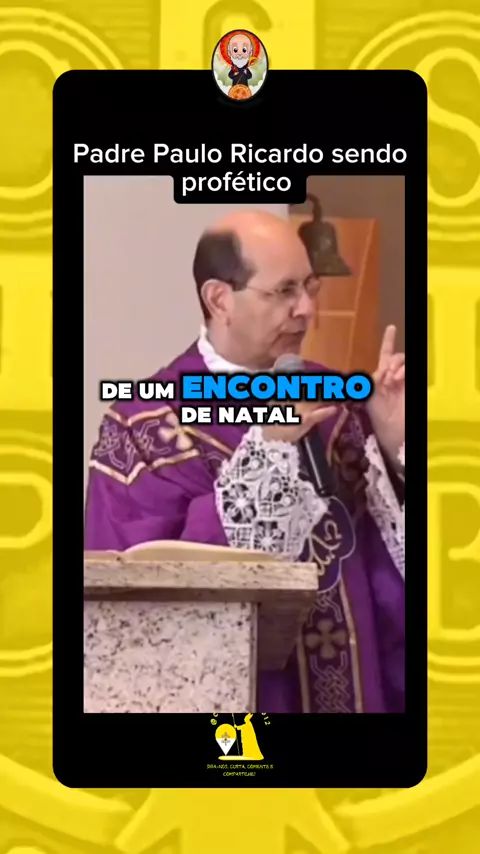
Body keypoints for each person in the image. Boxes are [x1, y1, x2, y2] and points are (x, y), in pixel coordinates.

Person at [84, 210, 405, 714]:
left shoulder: (338, 405)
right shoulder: (145, 425)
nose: (307, 310)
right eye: (283, 291)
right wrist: (268, 456)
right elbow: (140, 604)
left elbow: (390, 570)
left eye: (310, 286)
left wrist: (392, 449)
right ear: (219, 299)